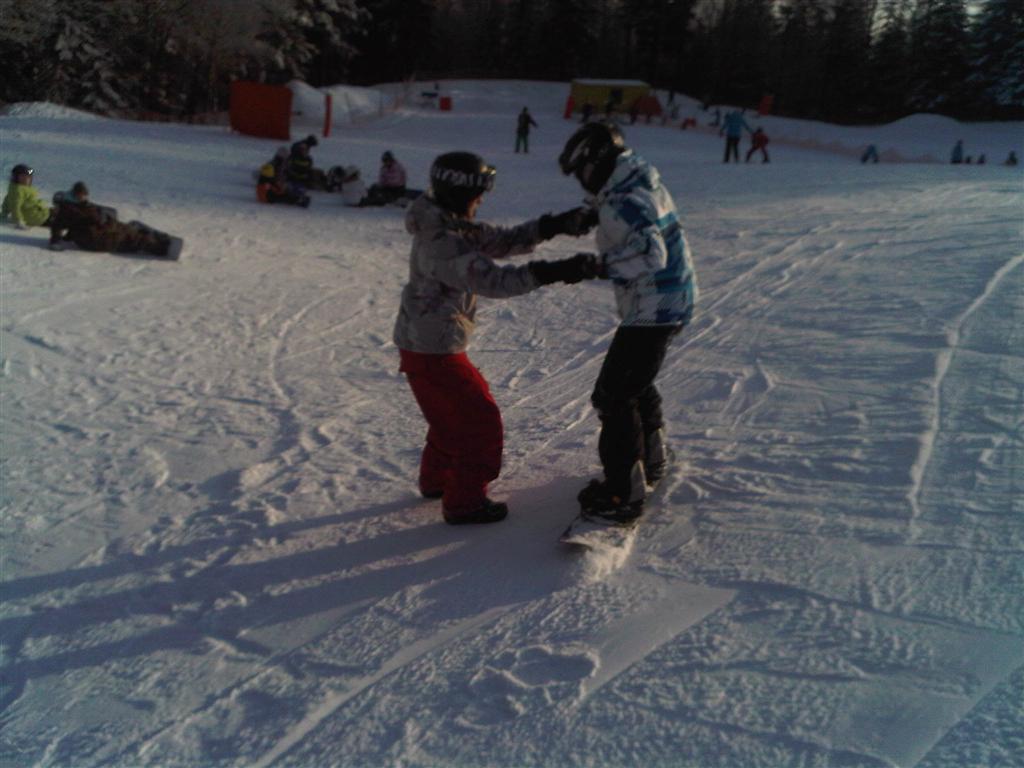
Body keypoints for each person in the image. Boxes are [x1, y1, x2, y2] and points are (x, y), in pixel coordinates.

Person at [393, 151, 600, 525]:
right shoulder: (443, 242)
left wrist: (553, 225)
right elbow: (494, 280)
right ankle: (465, 501)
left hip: (422, 344)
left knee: (448, 417)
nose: (481, 201)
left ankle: (437, 479)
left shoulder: (446, 222)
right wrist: (551, 272)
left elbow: (500, 241)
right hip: (435, 349)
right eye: (478, 194)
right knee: (480, 421)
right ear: (460, 194)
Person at [557, 122, 698, 522]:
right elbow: (636, 218)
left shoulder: (624, 200)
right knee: (635, 382)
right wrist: (593, 214)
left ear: (596, 164)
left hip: (654, 307)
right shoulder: (637, 182)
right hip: (668, 302)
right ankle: (651, 456)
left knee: (613, 395)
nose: (582, 180)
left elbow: (651, 254)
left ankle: (623, 493)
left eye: (582, 172)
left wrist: (596, 265)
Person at [48, 181, 181, 258]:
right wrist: (55, 242)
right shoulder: (67, 209)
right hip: (96, 238)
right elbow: (58, 225)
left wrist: (67, 237)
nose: (84, 197)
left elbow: (77, 223)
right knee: (131, 238)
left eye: (84, 195)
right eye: (81, 195)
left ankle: (152, 238)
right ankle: (163, 248)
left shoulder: (79, 205)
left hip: (98, 232)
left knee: (128, 230)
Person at [2, 164, 51, 229]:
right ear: (15, 177)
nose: (26, 179)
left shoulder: (20, 188)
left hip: (36, 213)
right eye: (23, 176)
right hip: (35, 217)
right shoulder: (18, 190)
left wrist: (4, 214)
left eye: (28, 176)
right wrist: (19, 221)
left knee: (59, 211)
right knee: (61, 218)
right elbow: (15, 207)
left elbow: (7, 202)